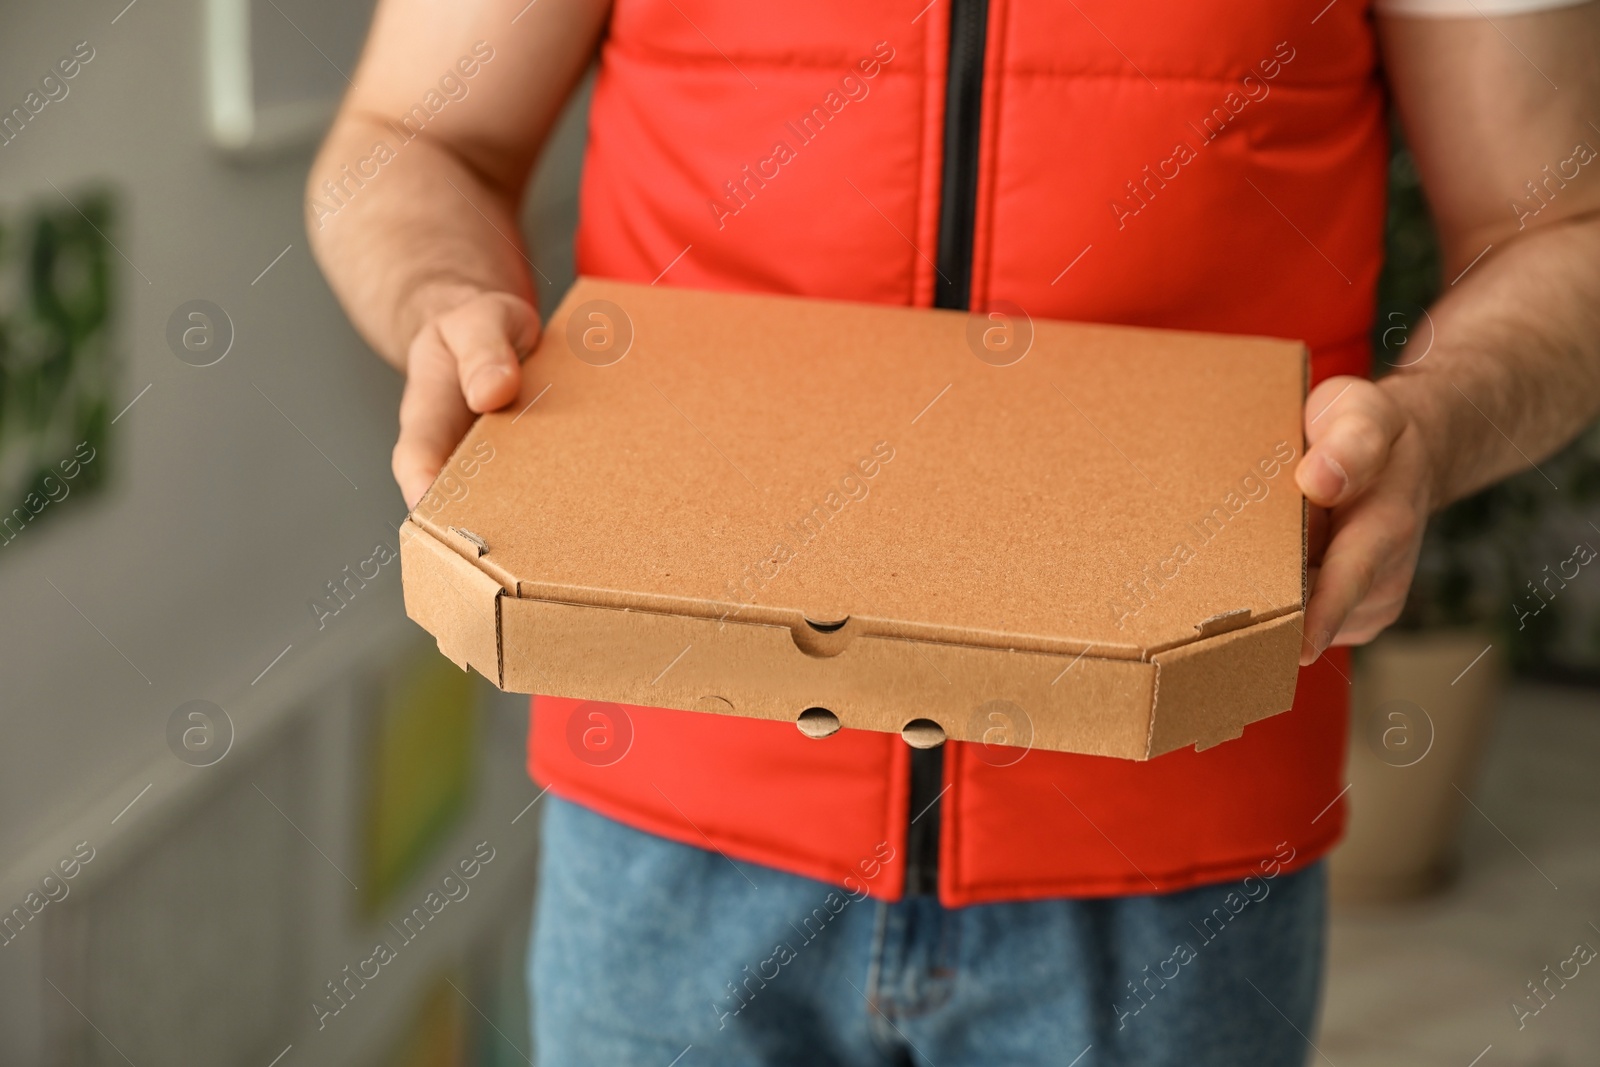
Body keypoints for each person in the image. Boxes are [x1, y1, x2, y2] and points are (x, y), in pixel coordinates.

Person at [309, 0, 1600, 1062]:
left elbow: (1557, 229)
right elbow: (414, 141)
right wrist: (444, 300)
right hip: (670, 810)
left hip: (1168, 839)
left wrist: (1433, 425)